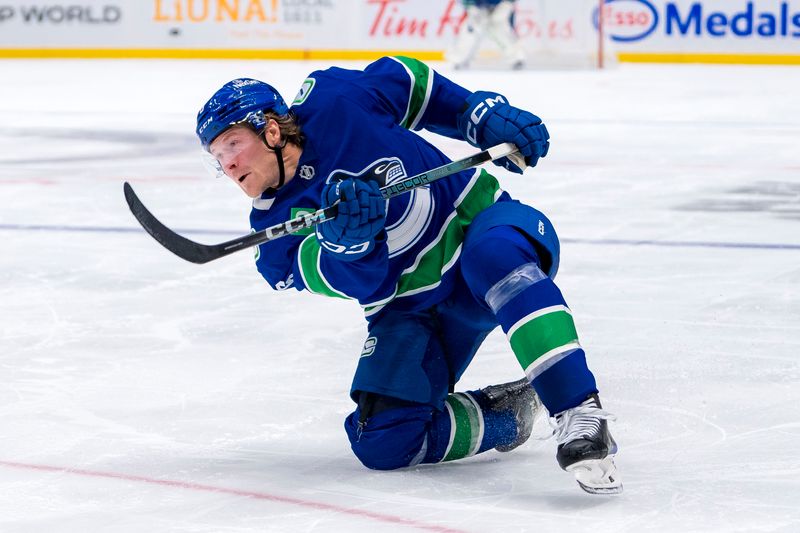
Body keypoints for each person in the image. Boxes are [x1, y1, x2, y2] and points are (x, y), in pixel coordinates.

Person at [195, 56, 621, 494]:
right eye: (217, 156)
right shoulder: (272, 235)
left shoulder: (334, 100)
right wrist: (350, 245)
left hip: (479, 227)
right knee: (383, 440)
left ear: (269, 130)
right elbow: (358, 283)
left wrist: (478, 114)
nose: (226, 164)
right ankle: (507, 413)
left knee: (496, 260)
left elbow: (411, 83)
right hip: (414, 306)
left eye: (231, 144)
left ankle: (579, 412)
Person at [448, 0, 526, 70]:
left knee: (499, 24)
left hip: (502, 3)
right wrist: (470, 5)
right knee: (472, 27)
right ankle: (459, 59)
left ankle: (516, 58)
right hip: (477, 4)